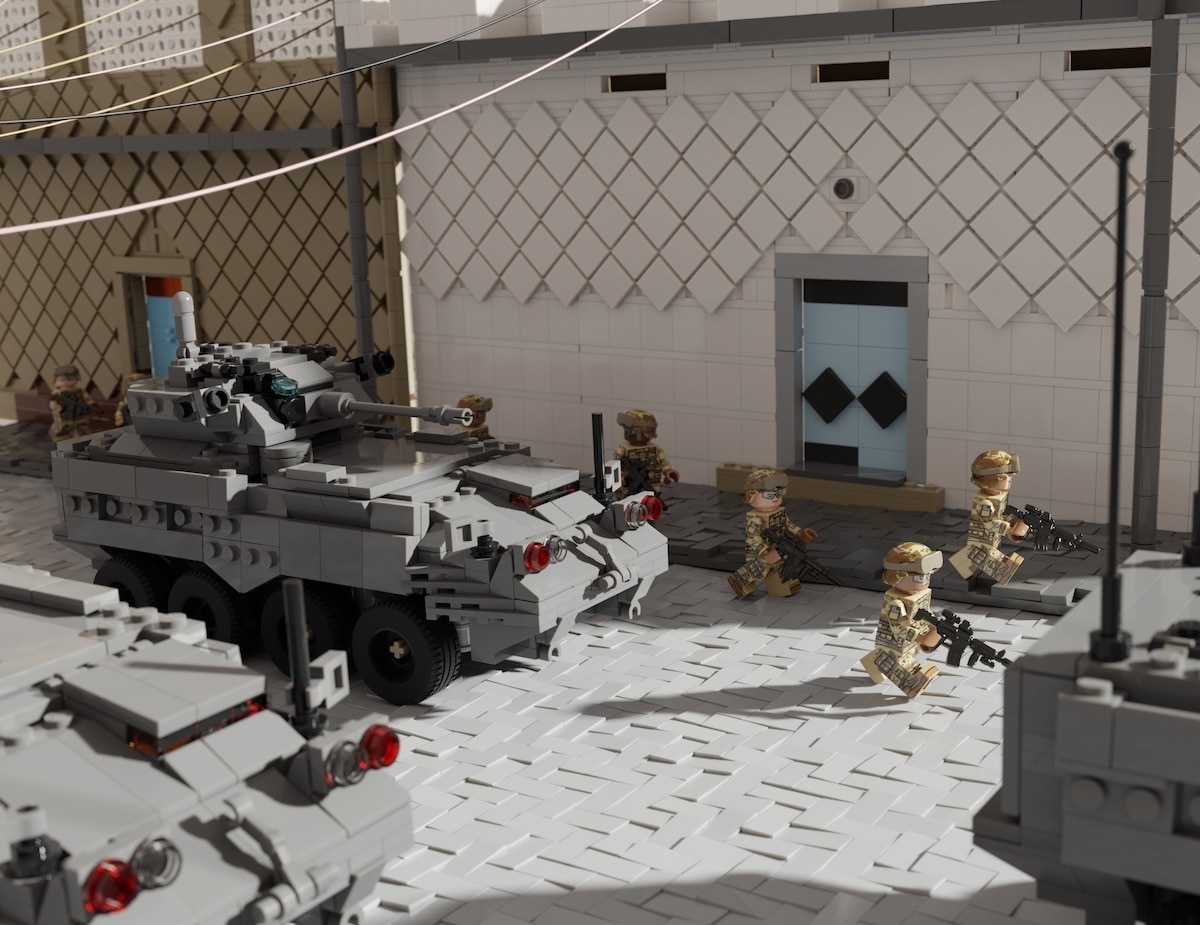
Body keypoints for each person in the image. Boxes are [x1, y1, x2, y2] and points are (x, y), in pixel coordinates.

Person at [860, 542, 943, 699]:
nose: (926, 580)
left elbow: (926, 612)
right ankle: (912, 685)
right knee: (899, 662)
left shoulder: (921, 594)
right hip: (895, 640)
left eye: (928, 575)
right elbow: (898, 627)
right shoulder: (896, 603)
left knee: (894, 657)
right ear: (898, 576)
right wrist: (920, 637)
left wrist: (932, 627)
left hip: (909, 640)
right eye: (920, 577)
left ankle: (873, 666)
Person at [728, 468, 817, 599]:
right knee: (757, 569)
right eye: (769, 495)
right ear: (752, 495)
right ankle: (739, 581)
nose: (775, 497)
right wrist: (764, 551)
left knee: (780, 567)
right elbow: (752, 538)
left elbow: (788, 524)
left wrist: (799, 532)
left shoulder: (779, 512)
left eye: (778, 493)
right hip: (762, 552)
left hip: (780, 549)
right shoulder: (755, 519)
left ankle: (781, 586)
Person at [949, 449, 1028, 584]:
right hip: (982, 537)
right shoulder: (984, 502)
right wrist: (1009, 529)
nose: (1010, 481)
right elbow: (990, 523)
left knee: (973, 556)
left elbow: (1001, 513)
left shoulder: (999, 495)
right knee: (993, 562)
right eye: (1007, 478)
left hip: (992, 537)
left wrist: (1012, 520)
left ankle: (961, 565)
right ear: (992, 479)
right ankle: (999, 574)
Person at [613, 409, 679, 498]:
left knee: (652, 502)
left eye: (631, 431)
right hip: (629, 486)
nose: (627, 434)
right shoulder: (623, 449)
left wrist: (668, 471)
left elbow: (663, 462)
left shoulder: (656, 448)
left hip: (650, 484)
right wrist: (619, 477)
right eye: (626, 430)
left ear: (647, 432)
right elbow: (615, 465)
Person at [48, 364, 100, 441]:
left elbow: (88, 400)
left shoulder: (80, 391)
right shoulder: (57, 393)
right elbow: (53, 402)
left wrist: (91, 405)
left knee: (83, 432)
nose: (66, 381)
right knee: (62, 434)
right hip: (64, 420)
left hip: (79, 419)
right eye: (62, 378)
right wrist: (56, 407)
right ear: (55, 380)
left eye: (70, 378)